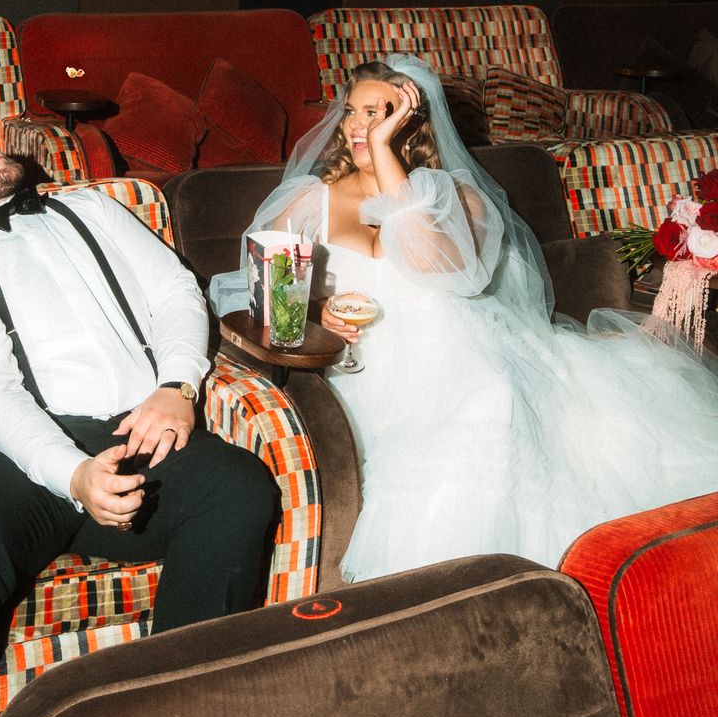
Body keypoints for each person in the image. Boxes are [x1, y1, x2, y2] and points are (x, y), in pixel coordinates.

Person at [210, 55, 718, 583]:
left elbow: (441, 270)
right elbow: (260, 297)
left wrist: (386, 157)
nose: (360, 127)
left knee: (490, 395)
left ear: (410, 122)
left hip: (456, 345)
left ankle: (498, 586)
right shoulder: (307, 202)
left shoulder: (458, 198)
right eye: (352, 112)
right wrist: (318, 312)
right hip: (364, 359)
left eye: (378, 114)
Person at [0, 122, 279, 717]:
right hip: (18, 457)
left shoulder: (90, 206)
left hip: (139, 431)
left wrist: (177, 387)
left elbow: (174, 292)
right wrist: (74, 472)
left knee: (239, 486)